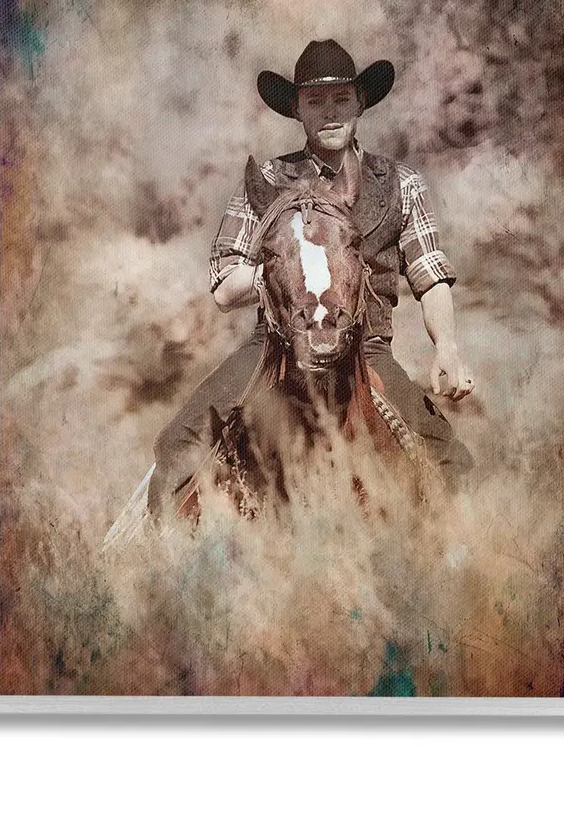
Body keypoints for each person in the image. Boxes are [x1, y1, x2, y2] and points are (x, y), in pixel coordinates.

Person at [148, 39, 474, 515]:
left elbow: (430, 274)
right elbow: (224, 286)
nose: (330, 112)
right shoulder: (268, 180)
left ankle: (458, 551)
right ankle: (161, 547)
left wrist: (446, 347)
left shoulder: (401, 184)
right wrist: (276, 272)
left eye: (342, 98)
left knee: (449, 462)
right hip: (273, 347)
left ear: (360, 103)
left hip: (367, 347)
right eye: (316, 101)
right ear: (297, 110)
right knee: (181, 441)